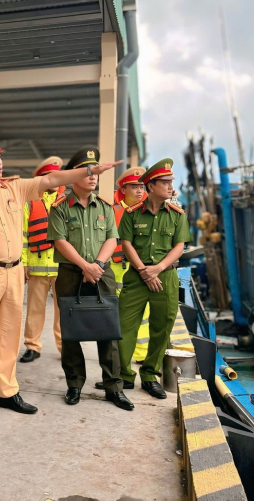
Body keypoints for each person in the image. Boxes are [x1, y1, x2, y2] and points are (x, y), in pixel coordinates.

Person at [0, 132, 121, 426]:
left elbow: (50, 180)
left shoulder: (15, 188)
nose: (0, 162)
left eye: (0, 157)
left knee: (10, 336)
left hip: (15, 271)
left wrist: (89, 170)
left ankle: (7, 392)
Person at [47, 148, 133, 410]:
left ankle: (114, 387)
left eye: (95, 171)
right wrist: (84, 265)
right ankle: (74, 385)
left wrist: (96, 265)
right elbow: (60, 241)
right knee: (71, 332)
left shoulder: (105, 206)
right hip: (71, 273)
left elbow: (111, 237)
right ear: (74, 176)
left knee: (108, 328)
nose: (93, 176)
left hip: (101, 271)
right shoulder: (60, 208)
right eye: (87, 171)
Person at [117, 158, 193, 399]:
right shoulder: (131, 214)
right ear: (151, 186)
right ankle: (123, 375)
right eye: (166, 182)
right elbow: (126, 243)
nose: (171, 187)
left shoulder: (177, 214)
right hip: (137, 277)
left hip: (166, 277)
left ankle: (150, 376)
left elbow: (179, 246)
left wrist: (157, 268)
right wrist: (143, 271)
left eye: (172, 182)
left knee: (161, 329)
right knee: (124, 327)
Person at [95, 166, 146, 392]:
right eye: (134, 186)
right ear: (123, 189)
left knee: (142, 319)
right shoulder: (109, 210)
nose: (138, 191)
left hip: (138, 271)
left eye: (141, 186)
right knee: (112, 320)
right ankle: (117, 369)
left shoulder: (149, 211)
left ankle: (140, 359)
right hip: (114, 270)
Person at [20, 156, 65, 363]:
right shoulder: (30, 202)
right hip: (36, 265)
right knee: (34, 309)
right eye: (48, 176)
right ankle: (32, 345)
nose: (51, 180)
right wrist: (24, 263)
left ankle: (66, 347)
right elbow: (23, 235)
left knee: (64, 310)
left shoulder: (67, 202)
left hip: (62, 266)